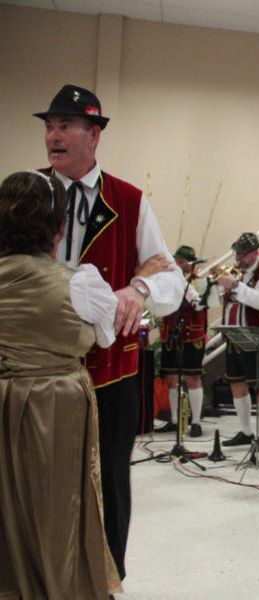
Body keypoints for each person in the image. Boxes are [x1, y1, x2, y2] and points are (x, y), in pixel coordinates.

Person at [34, 84, 183, 580]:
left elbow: (171, 278)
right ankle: (42, 574)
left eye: (65, 126)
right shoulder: (27, 192)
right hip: (39, 369)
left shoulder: (129, 200)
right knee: (38, 477)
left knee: (111, 479)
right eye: (49, 127)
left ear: (93, 135)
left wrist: (139, 288)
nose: (53, 136)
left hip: (111, 374)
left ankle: (107, 576)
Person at [0, 171, 122, 599]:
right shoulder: (78, 283)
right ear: (58, 225)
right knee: (58, 506)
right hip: (54, 403)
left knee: (7, 504)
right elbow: (105, 336)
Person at [218, 232, 259, 451]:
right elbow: (222, 303)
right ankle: (246, 431)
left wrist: (235, 286)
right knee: (237, 383)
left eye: (244, 254)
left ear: (256, 253)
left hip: (257, 338)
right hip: (233, 335)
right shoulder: (235, 273)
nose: (239, 258)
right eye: (237, 253)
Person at [156, 245, 215, 438]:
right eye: (177, 261)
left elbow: (202, 306)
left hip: (193, 335)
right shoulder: (170, 282)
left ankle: (196, 421)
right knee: (171, 379)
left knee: (192, 378)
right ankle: (174, 420)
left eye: (182, 262)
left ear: (190, 264)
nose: (179, 265)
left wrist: (183, 284)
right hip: (171, 334)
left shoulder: (200, 283)